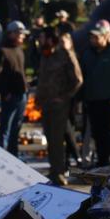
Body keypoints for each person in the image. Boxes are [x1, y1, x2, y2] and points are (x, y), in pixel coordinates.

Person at [79, 19, 110, 166]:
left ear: (107, 36)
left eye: (97, 36)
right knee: (97, 136)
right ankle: (102, 164)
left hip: (109, 102)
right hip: (92, 102)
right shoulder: (87, 55)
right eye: (91, 36)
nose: (93, 39)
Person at [35, 28, 82, 185]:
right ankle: (54, 170)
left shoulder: (65, 55)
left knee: (57, 139)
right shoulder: (45, 55)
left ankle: (60, 172)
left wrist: (63, 98)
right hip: (45, 104)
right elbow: (42, 79)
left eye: (42, 38)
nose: (39, 41)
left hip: (59, 106)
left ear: (49, 39)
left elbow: (77, 80)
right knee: (49, 138)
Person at [0, 21, 29, 156]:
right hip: (10, 95)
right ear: (11, 33)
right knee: (5, 128)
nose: (22, 37)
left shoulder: (20, 50)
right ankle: (0, 155)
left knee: (16, 128)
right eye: (20, 34)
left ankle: (14, 155)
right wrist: (4, 91)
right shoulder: (2, 51)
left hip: (22, 93)